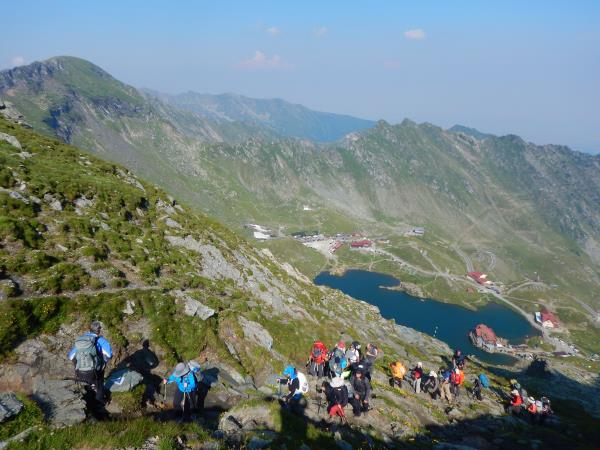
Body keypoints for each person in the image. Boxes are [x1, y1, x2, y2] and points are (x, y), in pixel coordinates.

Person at [68, 321, 113, 407]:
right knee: (99, 385)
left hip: (80, 370)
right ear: (99, 330)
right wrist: (102, 363)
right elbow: (109, 355)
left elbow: (71, 356)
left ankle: (90, 402)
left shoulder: (81, 340)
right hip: (95, 371)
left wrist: (80, 364)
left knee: (89, 385)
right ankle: (102, 402)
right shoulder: (101, 340)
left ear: (90, 328)